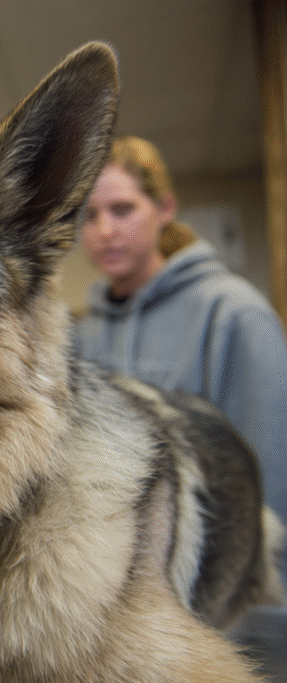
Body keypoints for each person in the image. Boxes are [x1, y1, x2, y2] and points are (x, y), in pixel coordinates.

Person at [73, 135, 287, 577]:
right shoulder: (82, 333)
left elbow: (273, 485)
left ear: (164, 209)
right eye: (88, 216)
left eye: (123, 209)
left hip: (215, 588)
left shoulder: (232, 314)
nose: (105, 231)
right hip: (115, 586)